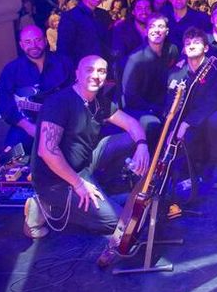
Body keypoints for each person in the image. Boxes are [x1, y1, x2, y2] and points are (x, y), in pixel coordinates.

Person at [27, 55, 150, 260]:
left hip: (84, 164)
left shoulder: (99, 101)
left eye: (101, 71)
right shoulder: (59, 103)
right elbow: (47, 151)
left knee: (127, 140)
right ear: (77, 74)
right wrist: (78, 184)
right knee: (122, 222)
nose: (96, 75)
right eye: (89, 70)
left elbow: (132, 124)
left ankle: (102, 193)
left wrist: (142, 146)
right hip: (58, 180)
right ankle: (45, 206)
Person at [167, 27, 217, 192]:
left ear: (206, 48)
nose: (191, 46)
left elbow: (215, 100)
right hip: (188, 122)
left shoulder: (215, 67)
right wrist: (172, 129)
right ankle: (191, 172)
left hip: (208, 117)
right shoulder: (176, 73)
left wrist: (187, 122)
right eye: (187, 43)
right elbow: (171, 106)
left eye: (196, 43)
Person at [0, 25, 72, 153]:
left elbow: (75, 93)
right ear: (21, 45)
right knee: (10, 159)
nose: (34, 45)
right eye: (28, 42)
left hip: (61, 121)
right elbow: (4, 104)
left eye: (38, 40)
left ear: (45, 40)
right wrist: (28, 127)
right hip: (26, 124)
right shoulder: (12, 70)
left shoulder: (63, 63)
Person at [121, 15, 180, 146]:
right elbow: (130, 96)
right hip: (140, 109)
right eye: (152, 26)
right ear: (146, 31)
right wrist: (154, 109)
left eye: (161, 26)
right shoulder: (136, 59)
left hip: (164, 106)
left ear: (167, 31)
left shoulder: (172, 51)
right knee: (153, 124)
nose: (156, 30)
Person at [57, 0, 112, 65]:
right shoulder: (70, 17)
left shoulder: (104, 15)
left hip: (103, 70)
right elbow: (63, 51)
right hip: (81, 71)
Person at [109, 0, 152, 77]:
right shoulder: (121, 29)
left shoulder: (156, 28)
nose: (144, 11)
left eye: (147, 8)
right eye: (139, 8)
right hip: (128, 76)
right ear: (133, 12)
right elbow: (118, 58)